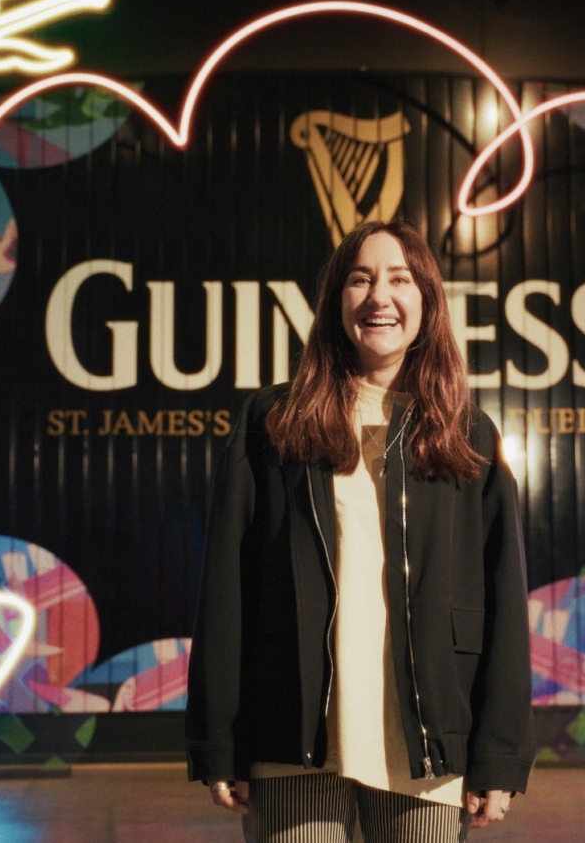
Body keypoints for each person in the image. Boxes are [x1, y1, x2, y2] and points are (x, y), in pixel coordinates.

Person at [186, 219, 534, 843]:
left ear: (427, 303)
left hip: (425, 745)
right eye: (360, 279)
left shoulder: (468, 434)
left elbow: (503, 602)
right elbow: (226, 590)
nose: (379, 297)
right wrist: (220, 741)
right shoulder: (273, 421)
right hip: (292, 739)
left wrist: (498, 757)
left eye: (400, 279)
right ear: (335, 302)